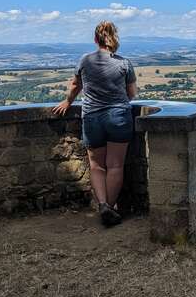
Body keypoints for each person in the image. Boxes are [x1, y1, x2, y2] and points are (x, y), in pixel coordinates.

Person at [53, 21, 137, 227]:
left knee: (97, 166)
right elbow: (131, 94)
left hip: (92, 118)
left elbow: (75, 85)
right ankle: (110, 206)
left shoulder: (85, 60)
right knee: (115, 165)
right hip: (118, 117)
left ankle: (102, 205)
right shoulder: (124, 63)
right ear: (115, 39)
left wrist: (67, 102)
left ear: (95, 39)